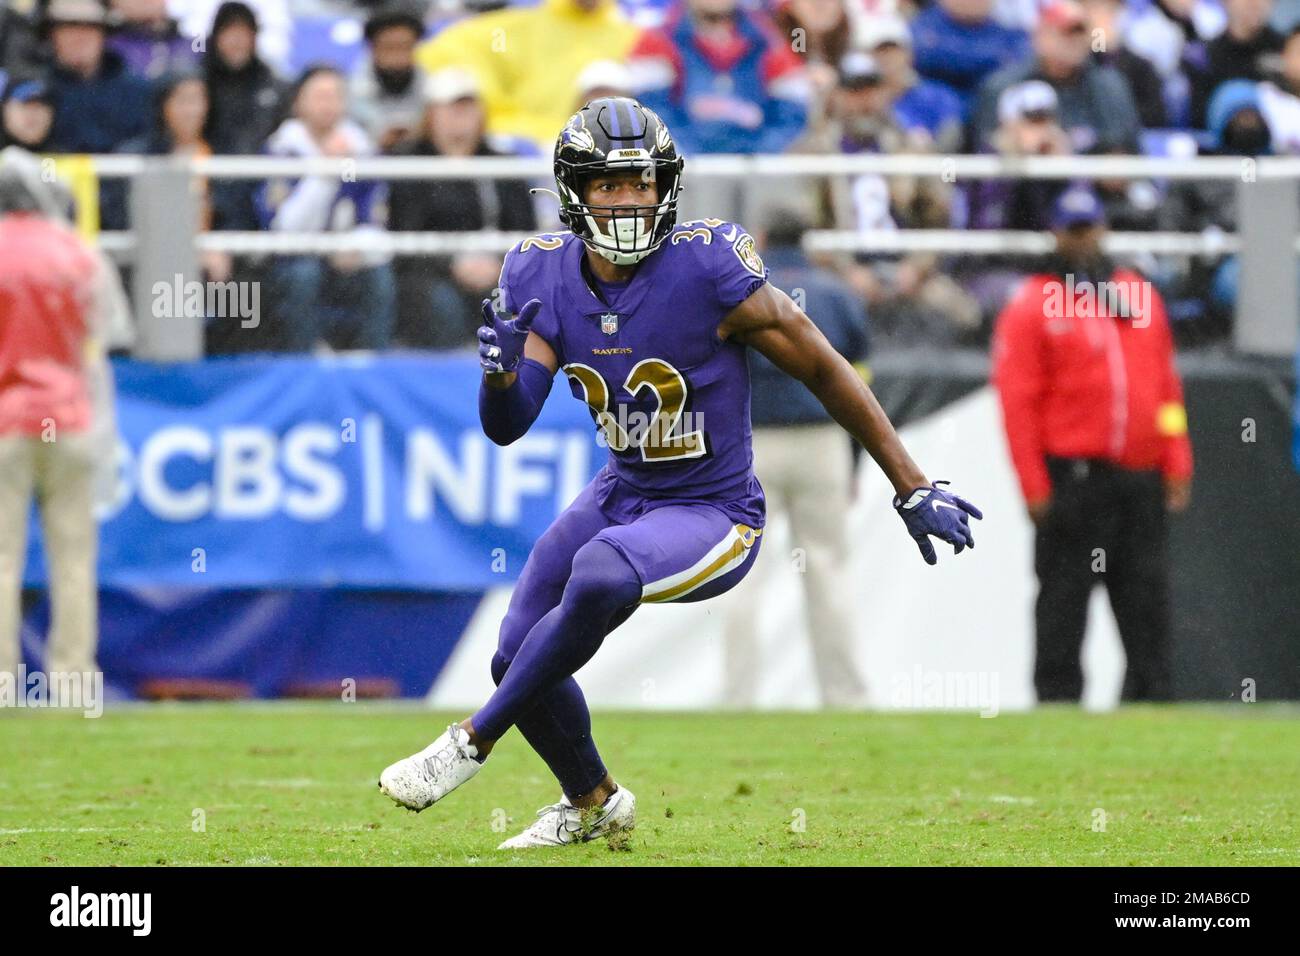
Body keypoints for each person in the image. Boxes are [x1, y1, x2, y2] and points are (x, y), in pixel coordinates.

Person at [377, 97, 982, 848]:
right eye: (609, 185)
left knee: (597, 574)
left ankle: (469, 743)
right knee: (515, 651)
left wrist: (910, 482)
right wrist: (498, 378)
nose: (629, 201)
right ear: (574, 191)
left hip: (714, 509)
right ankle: (593, 801)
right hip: (622, 493)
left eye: (642, 183)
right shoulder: (540, 272)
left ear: (667, 187)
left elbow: (826, 367)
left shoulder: (707, 265)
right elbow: (508, 427)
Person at [992, 186, 1193, 704]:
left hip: (1137, 476)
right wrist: (1033, 484)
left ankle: (1151, 705)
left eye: (1089, 228)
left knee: (1147, 602)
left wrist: (1176, 454)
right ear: (1055, 233)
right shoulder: (1032, 302)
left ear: (1103, 228)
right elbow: (1018, 404)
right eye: (1072, 229)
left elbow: (1165, 386)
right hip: (1073, 479)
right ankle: (1057, 707)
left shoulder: (1138, 294)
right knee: (1062, 602)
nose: (1082, 240)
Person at [720, 210, 870, 709]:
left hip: (751, 443)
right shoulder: (836, 294)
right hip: (822, 439)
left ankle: (739, 698)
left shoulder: (740, 292)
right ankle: (844, 695)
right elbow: (857, 380)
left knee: (740, 573)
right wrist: (853, 458)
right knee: (827, 568)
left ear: (761, 240)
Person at [0, 147, 111, 691]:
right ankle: (73, 679)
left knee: (1, 558)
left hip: (6, 418)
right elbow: (110, 332)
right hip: (71, 417)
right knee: (72, 558)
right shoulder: (77, 253)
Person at [387, 68, 536, 349]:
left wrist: (497, 264)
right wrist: (452, 264)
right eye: (452, 108)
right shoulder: (409, 161)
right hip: (428, 270)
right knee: (442, 304)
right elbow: (403, 237)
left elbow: (524, 231)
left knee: (515, 304)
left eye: (468, 107)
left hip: (494, 267)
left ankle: (511, 380)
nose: (461, 116)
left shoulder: (502, 163)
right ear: (431, 114)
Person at [259, 65, 396, 352]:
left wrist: (355, 246)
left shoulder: (363, 151)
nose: (328, 104)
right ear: (299, 102)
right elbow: (284, 226)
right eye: (319, 96)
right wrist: (324, 173)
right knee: (304, 276)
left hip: (348, 257)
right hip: (295, 259)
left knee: (379, 276)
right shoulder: (281, 150)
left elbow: (374, 218)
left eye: (335, 96)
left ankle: (373, 361)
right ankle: (306, 360)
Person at [416, 0, 641, 149]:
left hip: (593, 149)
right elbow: (440, 51)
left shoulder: (632, 36)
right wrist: (501, 119)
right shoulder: (522, 25)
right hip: (522, 149)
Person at [628, 0, 809, 154]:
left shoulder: (771, 42)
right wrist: (688, 160)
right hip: (684, 179)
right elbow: (650, 113)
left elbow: (791, 118)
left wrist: (757, 158)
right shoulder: (656, 41)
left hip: (757, 177)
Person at [973, 0, 1142, 154]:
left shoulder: (1110, 86)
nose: (1074, 41)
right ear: (1041, 36)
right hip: (1018, 182)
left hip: (1090, 185)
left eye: (1080, 32)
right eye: (1066, 33)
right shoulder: (1004, 87)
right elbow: (984, 156)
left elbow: (1126, 154)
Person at [43, 0, 152, 154]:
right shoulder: (37, 90)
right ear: (52, 36)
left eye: (90, 28)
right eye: (69, 29)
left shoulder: (136, 90)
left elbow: (150, 139)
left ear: (104, 35)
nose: (79, 38)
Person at [349, 2, 428, 152]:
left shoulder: (432, 89)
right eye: (390, 48)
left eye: (405, 47)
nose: (398, 58)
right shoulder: (348, 93)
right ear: (372, 48)